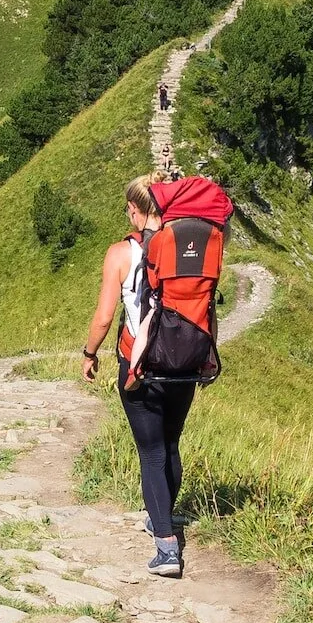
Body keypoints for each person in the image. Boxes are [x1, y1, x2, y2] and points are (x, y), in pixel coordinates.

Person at [82, 175, 195, 577]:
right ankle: (162, 514)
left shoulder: (120, 253)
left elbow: (104, 317)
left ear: (134, 208)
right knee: (171, 442)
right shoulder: (185, 246)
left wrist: (89, 353)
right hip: (184, 363)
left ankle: (166, 547)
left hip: (140, 363)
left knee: (151, 452)